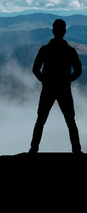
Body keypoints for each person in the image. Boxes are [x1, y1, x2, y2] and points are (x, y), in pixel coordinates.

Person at [29, 19, 82, 154]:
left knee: (40, 121)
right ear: (64, 31)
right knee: (71, 121)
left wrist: (44, 81)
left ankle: (33, 150)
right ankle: (77, 150)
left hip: (48, 88)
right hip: (64, 89)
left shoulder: (45, 49)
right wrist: (67, 80)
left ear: (53, 31)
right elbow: (78, 71)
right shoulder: (70, 51)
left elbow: (35, 69)